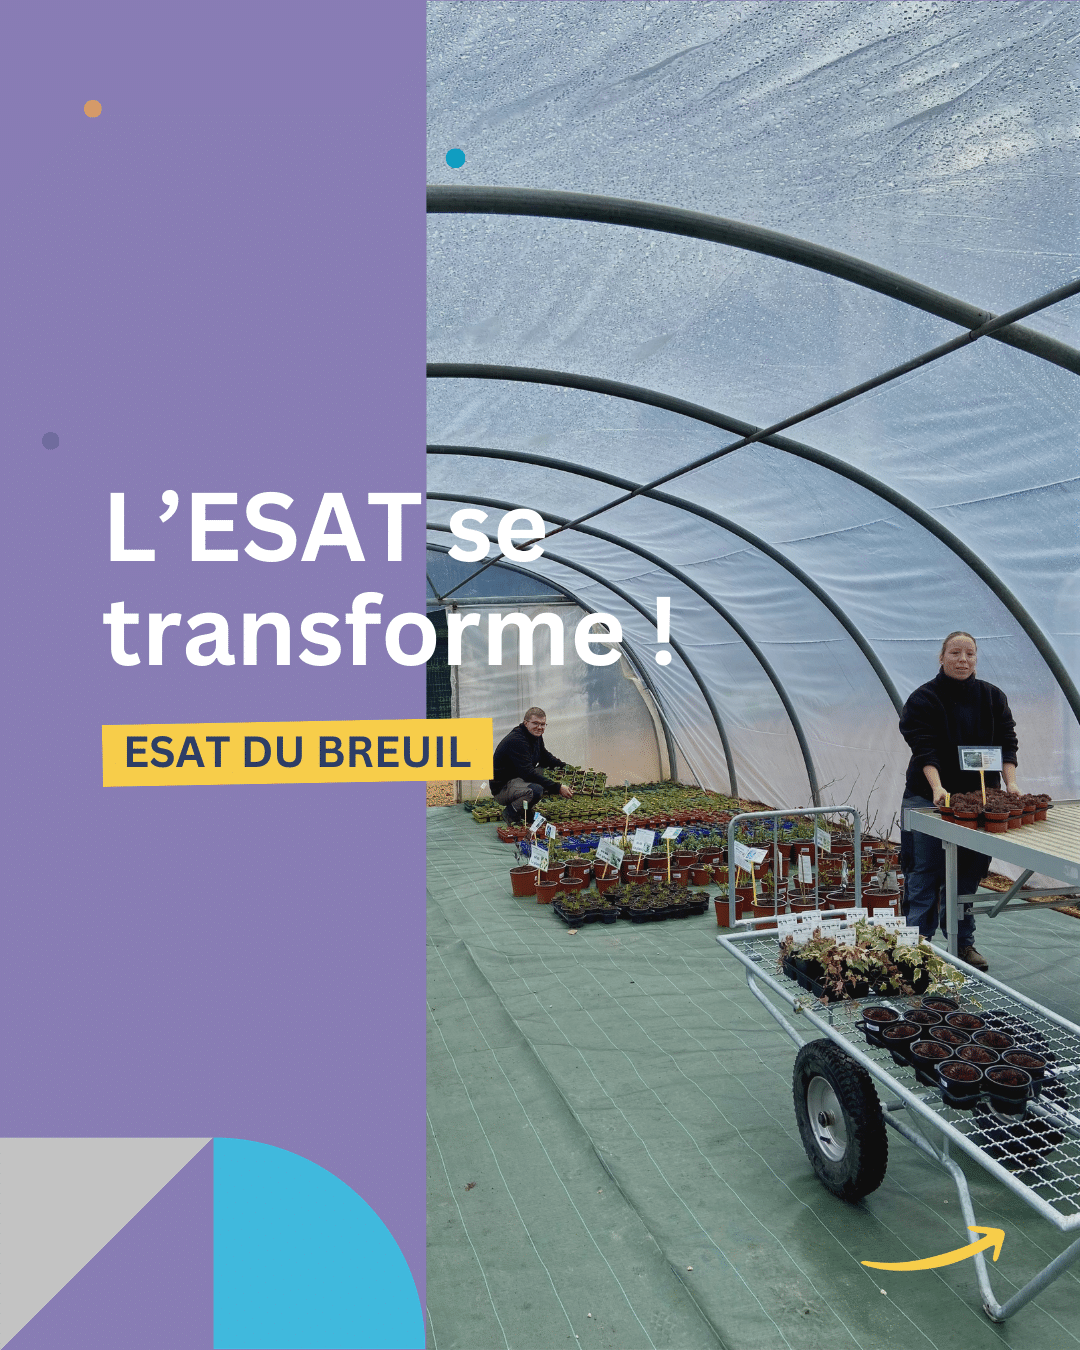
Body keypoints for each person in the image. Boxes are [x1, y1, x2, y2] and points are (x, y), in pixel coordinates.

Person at [897, 631, 1019, 972]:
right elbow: (924, 747)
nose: (962, 659)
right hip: (928, 799)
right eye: (955, 653)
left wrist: (1010, 784)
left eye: (969, 653)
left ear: (976, 658)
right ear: (941, 657)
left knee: (968, 874)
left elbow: (1007, 743)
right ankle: (916, 948)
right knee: (924, 872)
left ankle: (962, 942)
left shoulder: (992, 697)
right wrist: (938, 788)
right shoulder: (924, 699)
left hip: (979, 804)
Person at [490, 707, 574, 825]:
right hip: (503, 788)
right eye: (535, 723)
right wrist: (558, 787)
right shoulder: (517, 740)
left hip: (518, 779)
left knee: (548, 770)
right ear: (526, 723)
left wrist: (567, 768)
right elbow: (528, 773)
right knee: (535, 790)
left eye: (542, 724)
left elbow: (545, 757)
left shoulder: (535, 736)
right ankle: (511, 812)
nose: (539, 727)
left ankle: (526, 812)